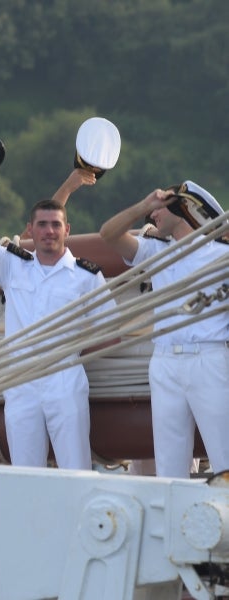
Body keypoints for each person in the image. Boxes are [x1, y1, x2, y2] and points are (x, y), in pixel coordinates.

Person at [0, 173, 115, 470]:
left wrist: (74, 354)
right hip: (22, 382)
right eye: (42, 224)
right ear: (30, 230)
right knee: (26, 476)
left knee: (75, 471)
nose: (49, 231)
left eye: (56, 225)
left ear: (67, 229)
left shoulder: (86, 276)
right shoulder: (12, 265)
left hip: (64, 380)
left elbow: (112, 332)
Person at [99, 181, 228, 479]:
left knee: (224, 458)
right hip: (165, 362)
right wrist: (144, 205)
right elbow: (109, 234)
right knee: (169, 468)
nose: (153, 216)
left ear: (182, 209)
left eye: (160, 210)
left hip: (208, 359)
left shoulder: (222, 256)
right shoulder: (155, 251)